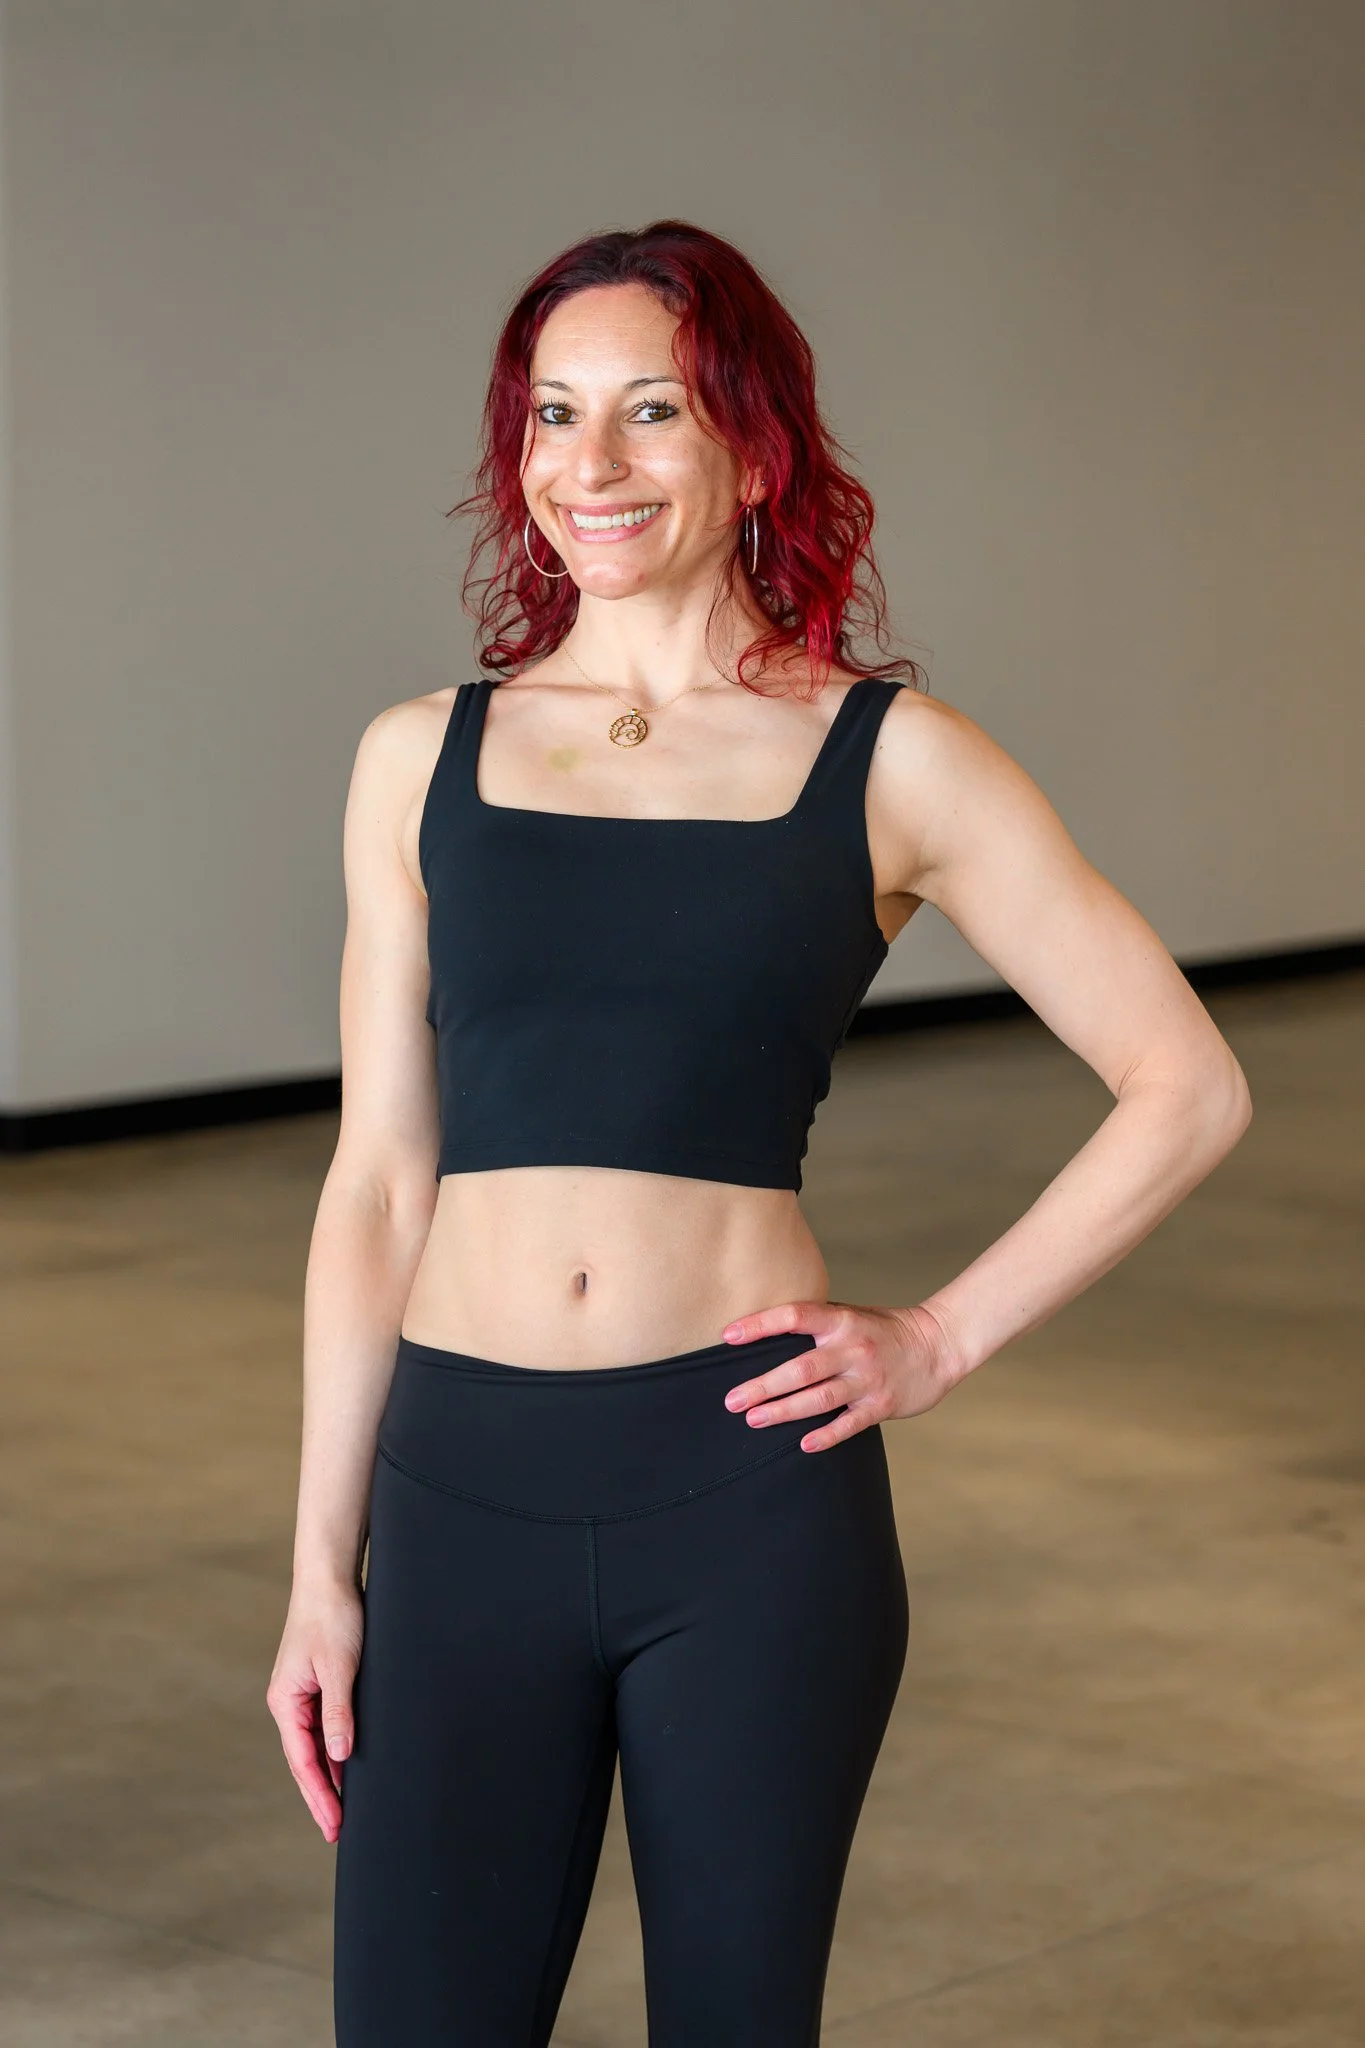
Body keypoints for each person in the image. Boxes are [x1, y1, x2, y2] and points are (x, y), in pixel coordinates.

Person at [266, 220, 1251, 2047]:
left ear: (753, 439)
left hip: (739, 1501)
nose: (594, 465)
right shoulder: (420, 754)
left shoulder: (894, 760)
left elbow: (1189, 1080)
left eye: (652, 411)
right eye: (555, 416)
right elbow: (377, 1178)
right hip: (455, 1485)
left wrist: (942, 1333)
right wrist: (324, 1567)